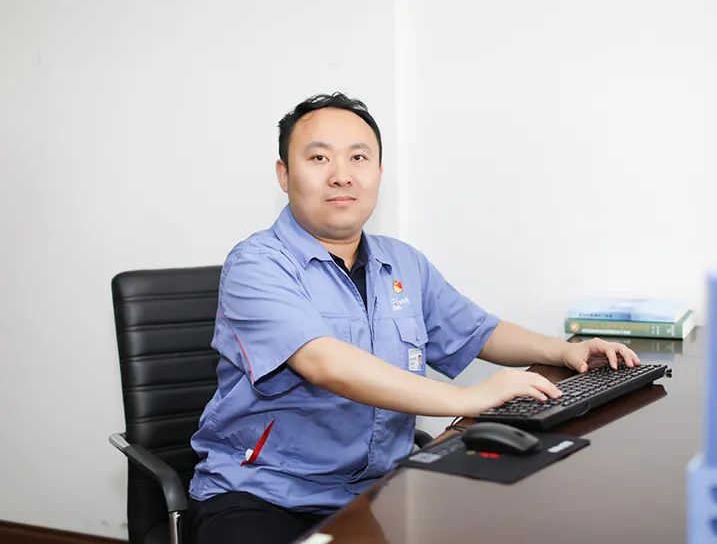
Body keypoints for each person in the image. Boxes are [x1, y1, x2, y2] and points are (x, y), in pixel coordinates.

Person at [188, 92, 640, 544]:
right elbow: (324, 363)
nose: (341, 175)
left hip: (380, 490)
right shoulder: (256, 265)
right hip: (265, 495)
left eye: (358, 157)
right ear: (284, 175)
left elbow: (478, 331)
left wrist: (565, 350)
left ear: (378, 173)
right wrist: (470, 399)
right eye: (319, 158)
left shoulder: (403, 263)